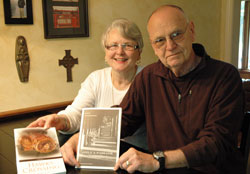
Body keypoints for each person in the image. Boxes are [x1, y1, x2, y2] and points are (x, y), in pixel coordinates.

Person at [113, 5, 245, 174]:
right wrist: (81, 137)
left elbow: (215, 143)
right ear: (153, 45)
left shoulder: (225, 76)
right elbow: (124, 119)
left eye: (176, 35)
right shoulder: (148, 77)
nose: (170, 46)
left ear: (191, 31)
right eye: (160, 40)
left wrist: (158, 160)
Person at [27, 18, 148, 165]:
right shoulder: (96, 79)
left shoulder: (148, 79)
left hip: (137, 159)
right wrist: (58, 120)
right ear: (105, 51)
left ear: (139, 51)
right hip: (97, 156)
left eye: (127, 45)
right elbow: (76, 114)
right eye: (113, 46)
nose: (120, 52)